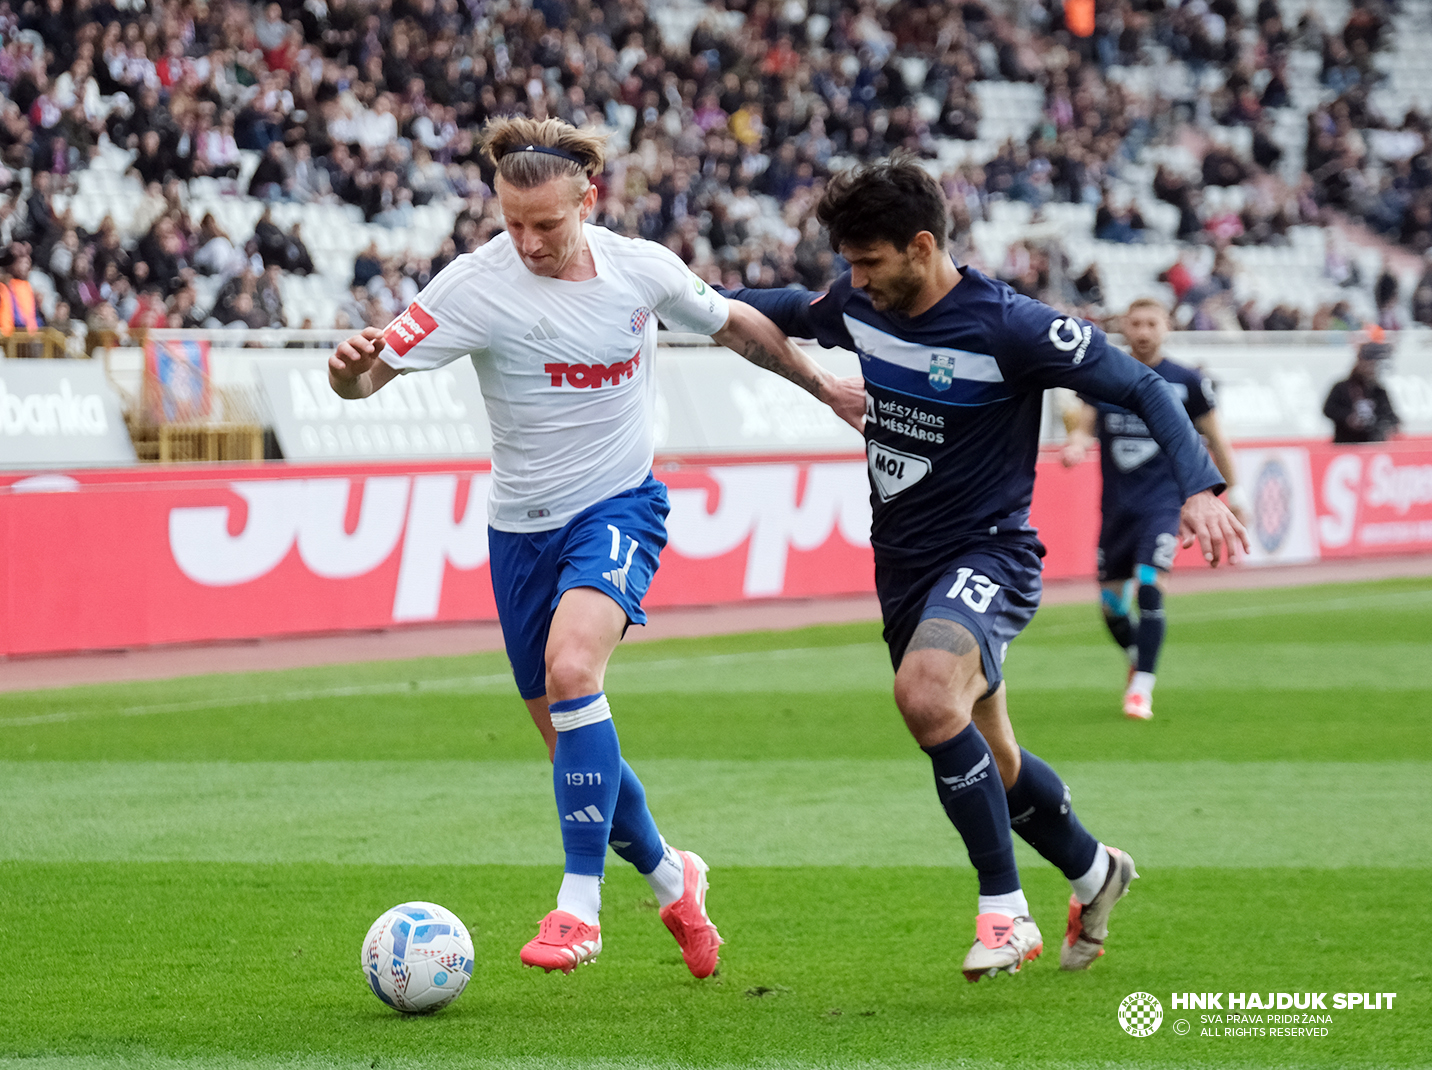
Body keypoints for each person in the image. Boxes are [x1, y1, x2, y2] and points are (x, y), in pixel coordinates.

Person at [327, 117, 864, 979]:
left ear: (589, 197)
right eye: (512, 223)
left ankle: (579, 904)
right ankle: (670, 874)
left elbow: (734, 325)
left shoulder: (640, 270)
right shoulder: (473, 287)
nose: (529, 241)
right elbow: (364, 379)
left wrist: (823, 386)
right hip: (519, 532)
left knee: (577, 675)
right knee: (573, 743)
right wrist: (346, 367)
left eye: (546, 223)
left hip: (619, 506)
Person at [721, 154, 1247, 981]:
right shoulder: (860, 301)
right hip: (902, 565)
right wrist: (664, 297)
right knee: (989, 754)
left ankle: (1005, 911)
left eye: (869, 262)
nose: (853, 280)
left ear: (923, 245)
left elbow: (1145, 387)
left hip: (989, 553)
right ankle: (1095, 870)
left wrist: (1201, 488)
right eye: (850, 263)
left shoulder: (1012, 326)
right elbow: (779, 309)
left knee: (926, 694)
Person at [1059, 297, 1250, 720]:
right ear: (1124, 327)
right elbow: (1084, 425)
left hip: (1162, 507)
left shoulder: (1187, 381)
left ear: (1167, 326)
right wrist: (1075, 445)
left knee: (1149, 585)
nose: (1143, 331)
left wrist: (1233, 493)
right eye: (1136, 323)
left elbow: (1217, 438)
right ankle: (1137, 653)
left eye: (1151, 323)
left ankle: (1141, 689)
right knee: (1111, 608)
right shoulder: (1104, 375)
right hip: (1116, 510)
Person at [1323, 339, 1400, 443]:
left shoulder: (1378, 391)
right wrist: (1348, 418)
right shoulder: (1342, 388)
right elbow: (1329, 409)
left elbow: (1390, 416)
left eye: (1374, 365)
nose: (1372, 368)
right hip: (1346, 443)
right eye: (1369, 364)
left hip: (1373, 444)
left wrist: (1386, 425)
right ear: (1360, 363)